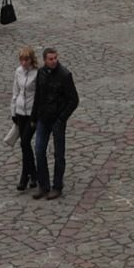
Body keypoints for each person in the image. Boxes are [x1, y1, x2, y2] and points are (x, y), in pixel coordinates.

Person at [32, 47, 80, 201]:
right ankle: (43, 185)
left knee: (59, 154)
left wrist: (62, 119)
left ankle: (57, 186)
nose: (54, 61)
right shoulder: (41, 73)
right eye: (50, 59)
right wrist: (34, 117)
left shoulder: (65, 75)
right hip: (43, 118)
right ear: (45, 60)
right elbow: (38, 96)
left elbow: (74, 100)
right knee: (39, 151)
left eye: (55, 58)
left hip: (57, 119)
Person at [11, 47, 40, 193]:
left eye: (26, 59)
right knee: (24, 145)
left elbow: (39, 95)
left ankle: (25, 176)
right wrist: (13, 111)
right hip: (20, 112)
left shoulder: (37, 74)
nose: (23, 62)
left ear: (31, 60)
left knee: (24, 142)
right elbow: (15, 92)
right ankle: (32, 173)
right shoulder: (18, 72)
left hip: (32, 114)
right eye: (21, 59)